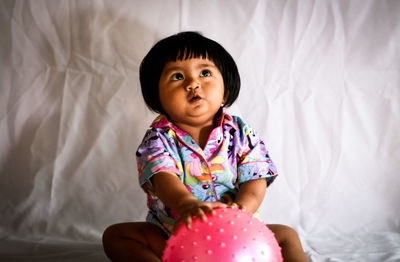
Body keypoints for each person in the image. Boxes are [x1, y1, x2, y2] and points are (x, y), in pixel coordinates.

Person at [102, 31, 308, 262]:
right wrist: (187, 204)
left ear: (225, 91)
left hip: (238, 236)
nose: (193, 83)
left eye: (205, 73)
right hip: (173, 236)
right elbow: (163, 178)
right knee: (115, 236)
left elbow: (255, 178)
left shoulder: (241, 133)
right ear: (158, 97)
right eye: (178, 76)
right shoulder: (158, 138)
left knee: (287, 236)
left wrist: (241, 210)